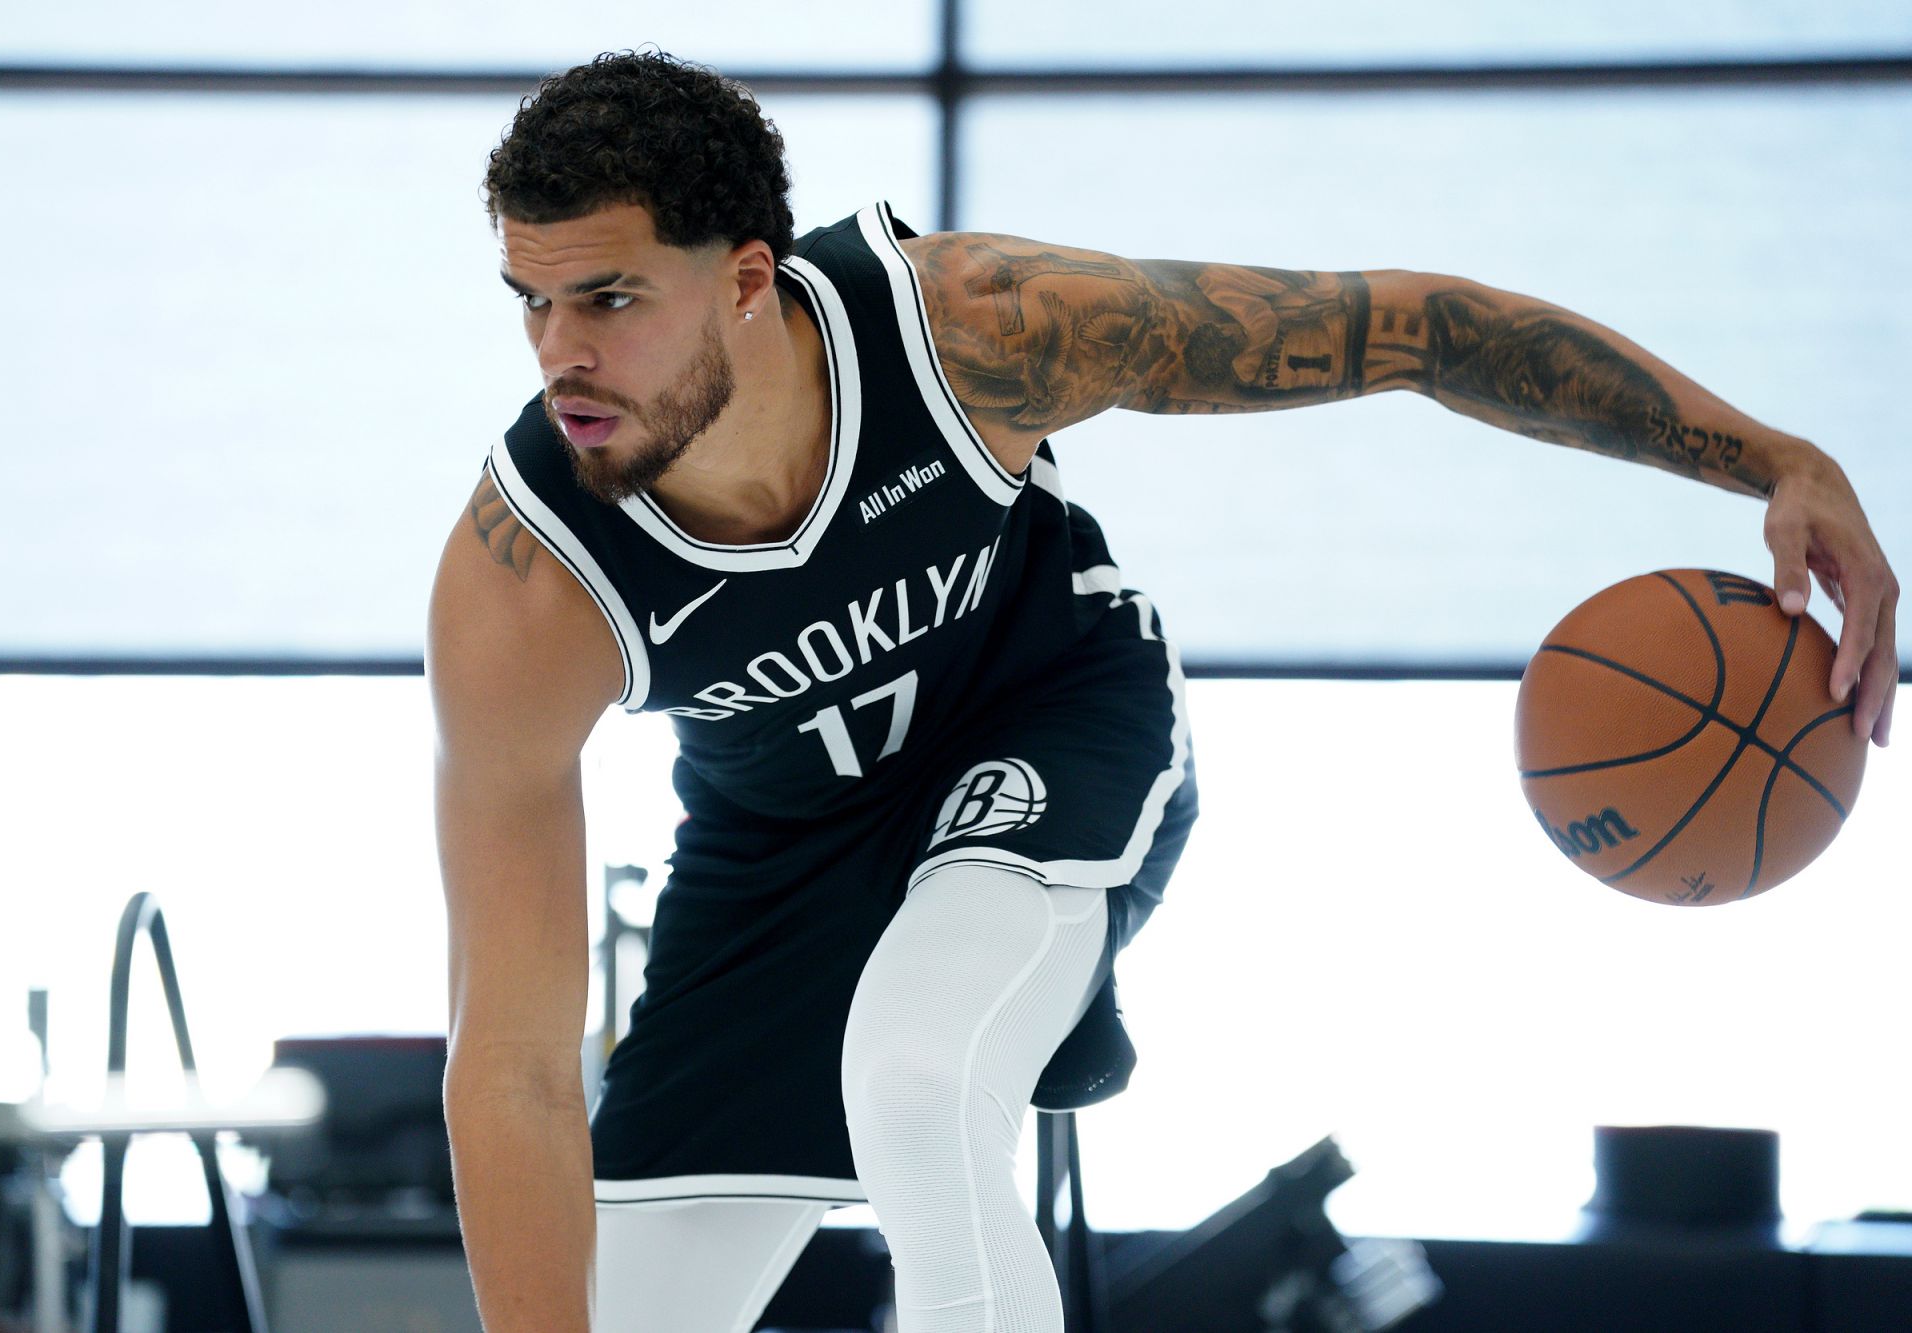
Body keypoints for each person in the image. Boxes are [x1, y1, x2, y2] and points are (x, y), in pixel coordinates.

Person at [425, 50, 1899, 1333]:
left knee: (917, 1078)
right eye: (530, 303)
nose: (562, 356)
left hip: (1047, 723)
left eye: (607, 298)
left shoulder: (976, 331)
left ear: (749, 278)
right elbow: (510, 1066)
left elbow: (1416, 329)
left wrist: (1772, 459)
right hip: (776, 858)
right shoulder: (527, 583)